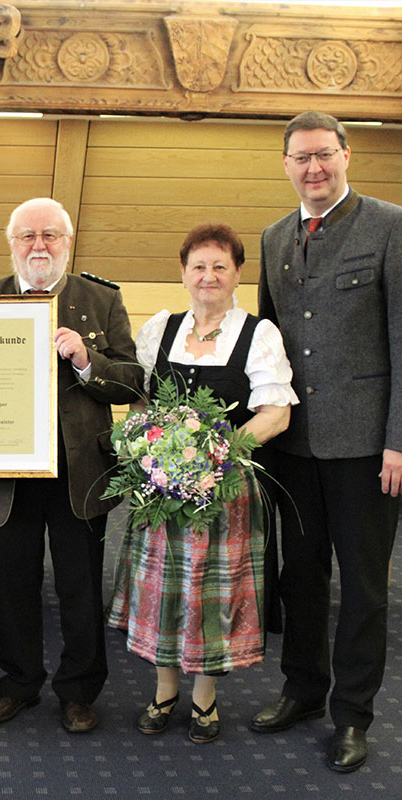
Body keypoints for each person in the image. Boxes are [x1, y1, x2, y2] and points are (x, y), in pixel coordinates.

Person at [250, 111, 402, 772]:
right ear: (287, 165)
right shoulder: (274, 237)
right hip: (293, 449)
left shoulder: (394, 226)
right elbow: (268, 348)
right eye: (301, 158)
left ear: (346, 154)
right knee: (299, 579)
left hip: (367, 450)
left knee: (363, 587)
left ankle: (353, 714)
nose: (314, 168)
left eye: (325, 155)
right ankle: (302, 691)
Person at [107, 223, 297, 744]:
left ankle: (205, 699)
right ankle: (164, 690)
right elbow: (142, 402)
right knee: (163, 594)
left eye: (220, 266)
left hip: (227, 489)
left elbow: (276, 413)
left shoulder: (259, 334)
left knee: (212, 596)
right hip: (163, 487)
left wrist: (217, 454)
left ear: (238, 273)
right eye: (198, 266)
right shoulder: (161, 328)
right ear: (183, 273)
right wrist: (148, 446)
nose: (208, 276)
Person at [0, 197, 143, 734]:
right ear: (11, 243)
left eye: (50, 236)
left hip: (79, 473)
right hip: (7, 474)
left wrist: (88, 361)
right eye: (27, 236)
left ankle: (79, 690)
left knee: (79, 586)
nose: (38, 246)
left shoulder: (101, 299)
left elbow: (133, 380)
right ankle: (17, 684)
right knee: (13, 585)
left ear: (68, 242)